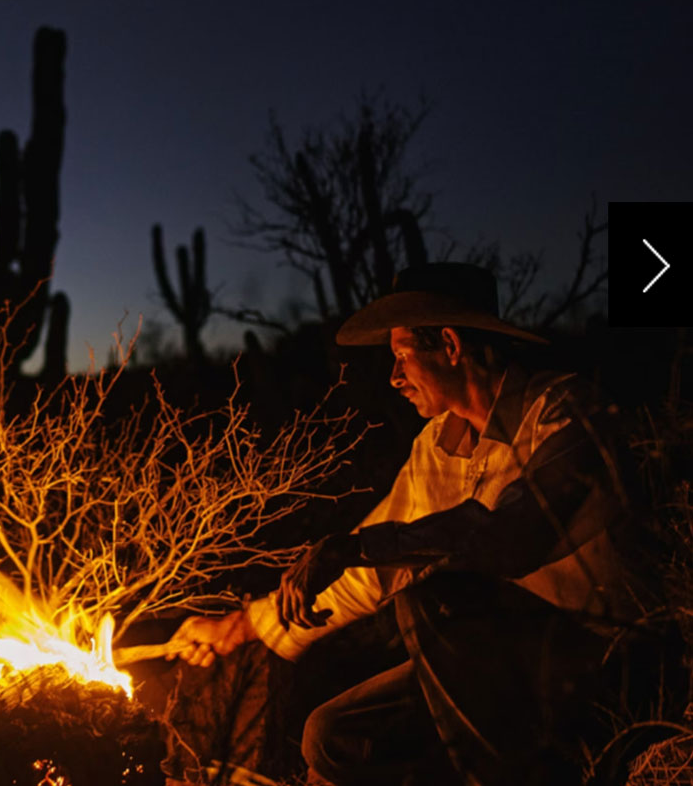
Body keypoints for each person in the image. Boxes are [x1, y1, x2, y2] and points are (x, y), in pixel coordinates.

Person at [168, 262, 659, 786]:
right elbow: (370, 572)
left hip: (600, 657)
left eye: (402, 355)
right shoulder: (435, 447)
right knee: (332, 735)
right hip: (500, 672)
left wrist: (357, 547)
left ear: (449, 345)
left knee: (437, 599)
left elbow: (516, 534)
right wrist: (243, 626)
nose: (394, 376)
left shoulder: (563, 411)